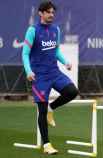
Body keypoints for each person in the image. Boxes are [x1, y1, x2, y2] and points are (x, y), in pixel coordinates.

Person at [22, 0, 79, 154]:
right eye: (48, 12)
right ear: (41, 13)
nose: (51, 15)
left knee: (72, 92)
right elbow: (25, 53)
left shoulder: (56, 30)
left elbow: (56, 51)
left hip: (54, 72)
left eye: (53, 12)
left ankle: (51, 108)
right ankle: (47, 145)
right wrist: (28, 71)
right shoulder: (32, 31)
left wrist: (65, 62)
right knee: (41, 109)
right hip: (39, 76)